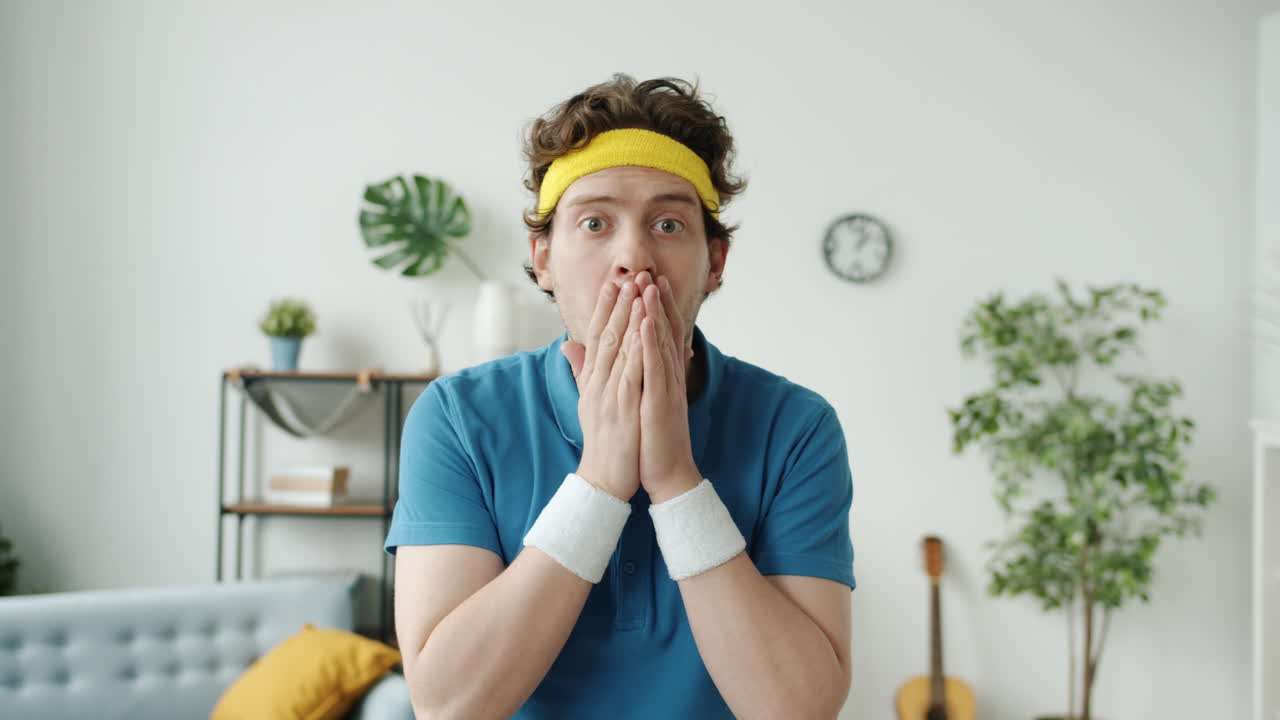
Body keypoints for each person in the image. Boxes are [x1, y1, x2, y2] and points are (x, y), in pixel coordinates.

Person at [384, 74, 855, 719]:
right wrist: (602, 480)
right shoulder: (458, 419)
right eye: (595, 222)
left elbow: (800, 711)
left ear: (714, 262)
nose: (634, 256)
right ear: (544, 259)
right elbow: (449, 706)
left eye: (667, 223)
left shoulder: (797, 427)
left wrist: (674, 480)